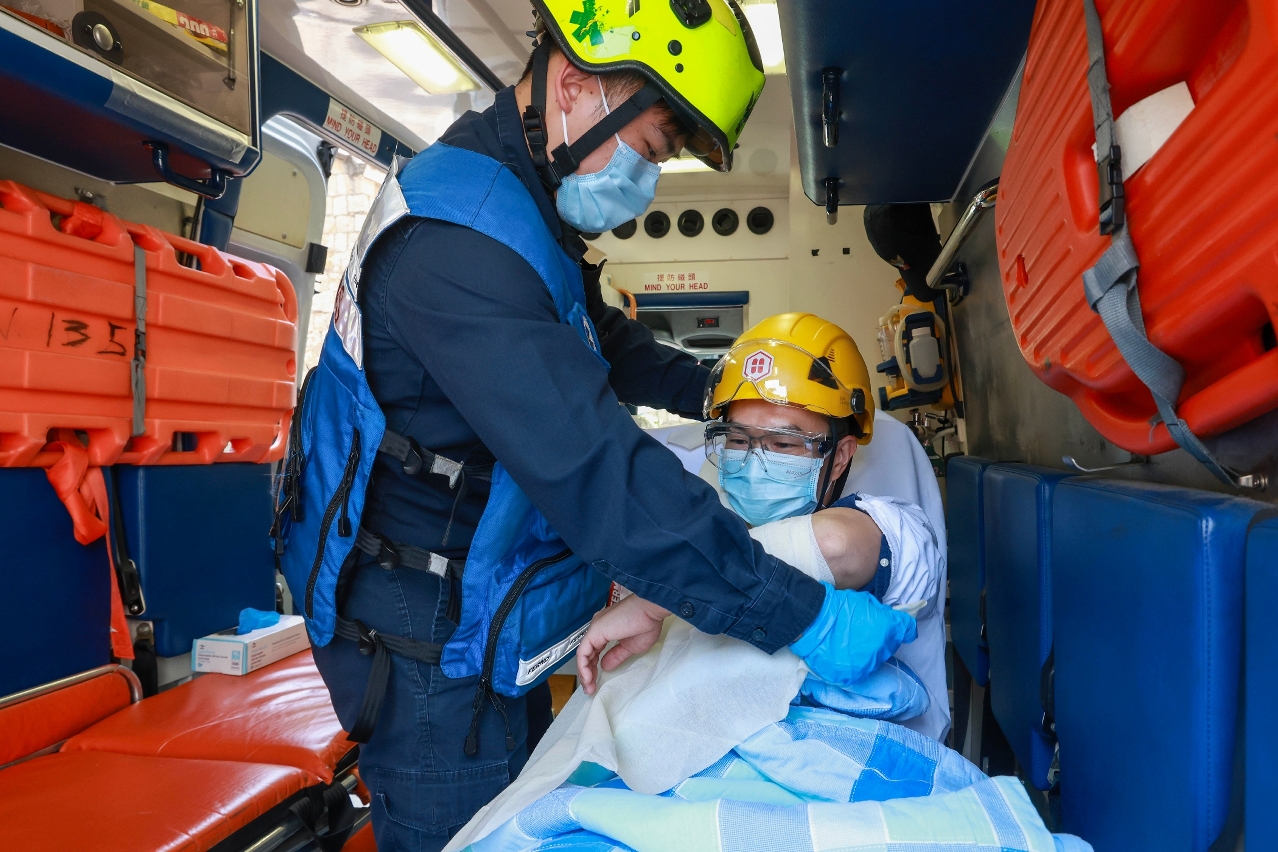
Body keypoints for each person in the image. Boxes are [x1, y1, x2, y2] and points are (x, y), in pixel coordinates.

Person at [273, 4, 916, 850]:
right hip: (424, 640)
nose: (647, 183)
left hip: (479, 609)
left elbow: (593, 336)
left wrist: (719, 389)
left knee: (524, 803)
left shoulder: (519, 206)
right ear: (575, 85)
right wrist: (802, 615)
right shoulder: (454, 248)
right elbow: (603, 476)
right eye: (650, 149)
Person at [577, 313, 948, 740]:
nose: (753, 462)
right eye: (738, 440)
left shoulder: (897, 527)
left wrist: (662, 599)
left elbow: (834, 545)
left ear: (841, 457)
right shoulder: (710, 526)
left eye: (784, 443)